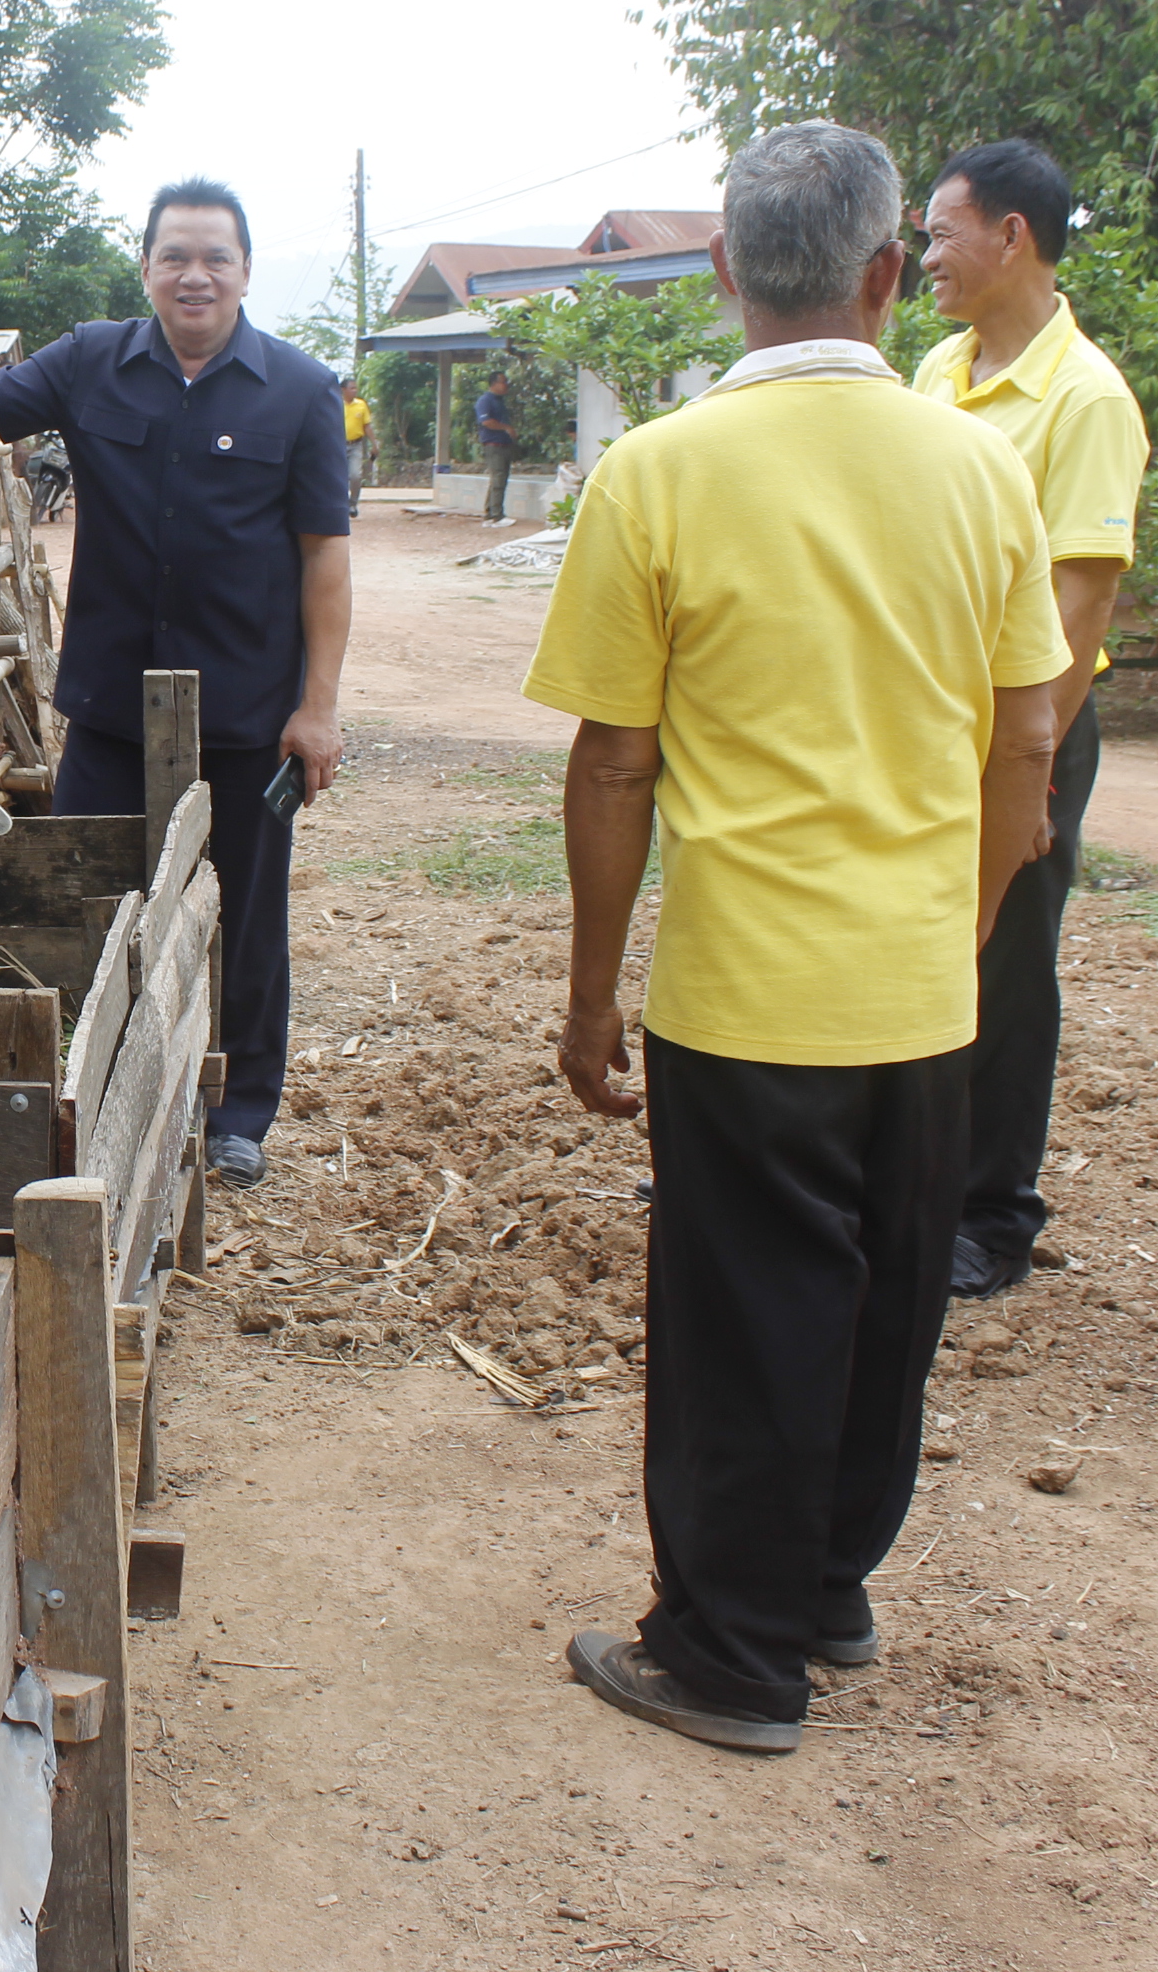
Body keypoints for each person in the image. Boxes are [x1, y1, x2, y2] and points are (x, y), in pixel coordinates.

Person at [527, 121, 1065, 1753]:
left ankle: (729, 1650)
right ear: (889, 273)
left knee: (740, 1321)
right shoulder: (979, 464)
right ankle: (827, 1584)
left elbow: (615, 757)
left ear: (719, 274)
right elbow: (1027, 741)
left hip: (746, 990)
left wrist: (588, 990)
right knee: (886, 1303)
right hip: (917, 986)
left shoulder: (658, 473)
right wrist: (962, 928)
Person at [0, 177, 352, 1189]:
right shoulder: (92, 363)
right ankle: (95, 1085)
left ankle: (240, 1111)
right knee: (85, 893)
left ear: (246, 270)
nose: (194, 275)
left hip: (247, 707)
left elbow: (324, 559)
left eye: (215, 257)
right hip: (114, 702)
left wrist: (318, 707)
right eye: (175, 256)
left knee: (247, 914)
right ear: (148, 266)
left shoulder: (300, 392)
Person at [911, 141, 1153, 1300]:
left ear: (1013, 237)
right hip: (923, 723)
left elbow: (1083, 593)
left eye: (940, 235)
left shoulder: (1085, 396)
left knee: (1007, 961)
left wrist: (1031, 759)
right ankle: (901, 1178)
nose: (925, 259)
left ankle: (994, 1214)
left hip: (1026, 728)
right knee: (917, 944)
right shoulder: (935, 373)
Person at [475, 370, 520, 521]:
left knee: (499, 479)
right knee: (498, 479)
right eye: (504, 382)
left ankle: (490, 512)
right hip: (494, 445)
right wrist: (507, 428)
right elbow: (486, 422)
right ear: (494, 384)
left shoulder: (499, 401)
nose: (507, 385)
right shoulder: (485, 400)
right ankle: (496, 515)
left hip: (504, 444)